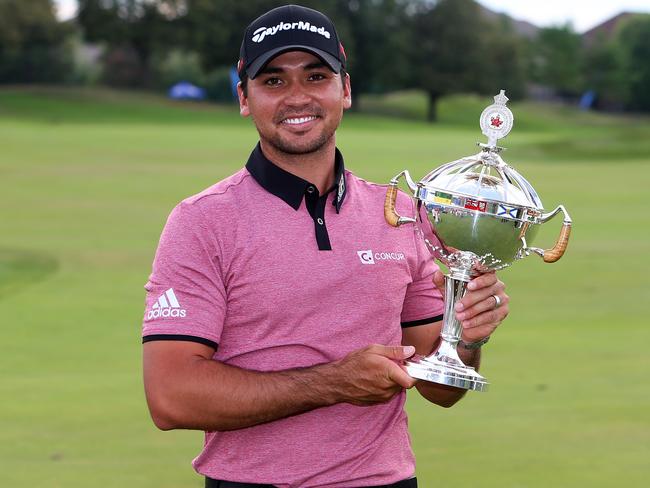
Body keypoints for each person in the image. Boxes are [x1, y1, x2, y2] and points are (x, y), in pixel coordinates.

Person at [142, 5, 509, 488]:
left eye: (316, 76)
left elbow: (440, 389)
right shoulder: (202, 221)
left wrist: (467, 337)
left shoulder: (402, 213)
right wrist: (332, 382)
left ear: (346, 90)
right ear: (244, 98)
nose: (297, 97)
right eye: (273, 81)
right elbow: (171, 398)